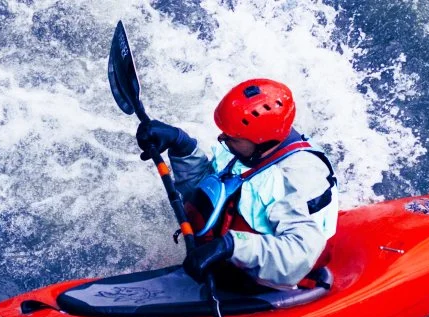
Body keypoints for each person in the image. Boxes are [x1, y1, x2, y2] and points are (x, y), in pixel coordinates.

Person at [136, 78, 338, 292]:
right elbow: (210, 195)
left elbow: (298, 255)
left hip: (267, 287)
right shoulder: (248, 151)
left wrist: (232, 245)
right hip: (222, 267)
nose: (222, 138)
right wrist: (182, 146)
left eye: (232, 137)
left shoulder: (299, 179)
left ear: (261, 139)